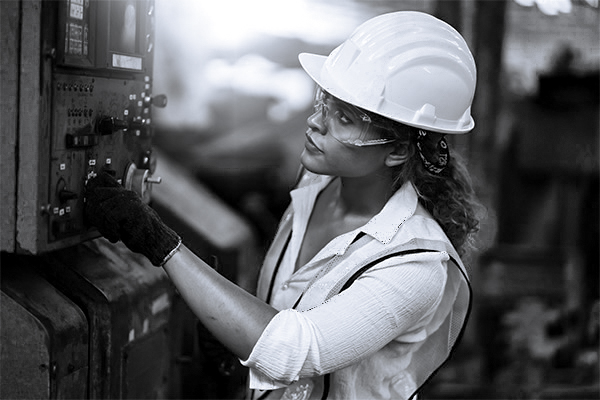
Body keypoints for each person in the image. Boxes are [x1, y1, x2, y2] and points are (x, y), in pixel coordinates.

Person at [85, 11, 481, 400]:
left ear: (396, 150)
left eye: (344, 118)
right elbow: (284, 313)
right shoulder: (316, 183)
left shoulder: (417, 264)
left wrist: (160, 244)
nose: (315, 122)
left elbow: (291, 351)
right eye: (325, 101)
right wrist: (228, 327)